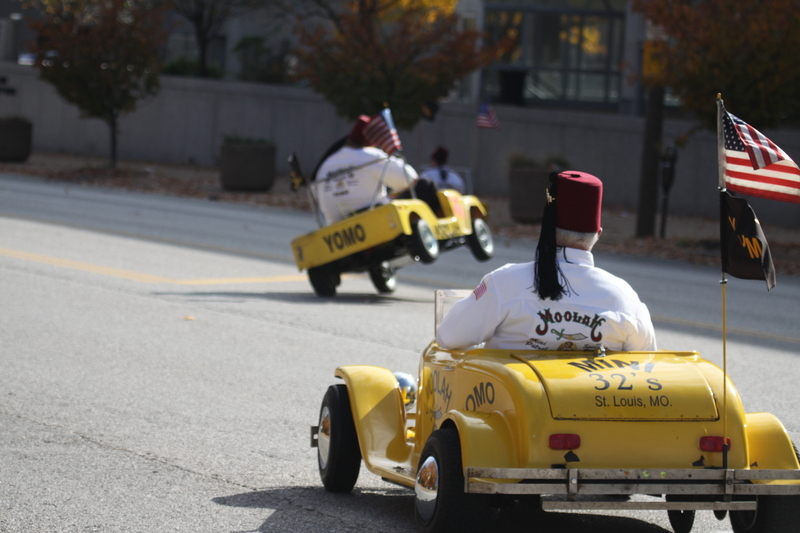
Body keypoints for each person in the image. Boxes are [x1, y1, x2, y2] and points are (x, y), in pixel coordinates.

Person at [436, 170, 656, 352]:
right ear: (598, 233)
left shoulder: (505, 283)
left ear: (546, 228)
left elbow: (449, 338)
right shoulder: (625, 297)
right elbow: (645, 364)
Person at [315, 115, 419, 225]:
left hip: (335, 226)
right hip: (374, 223)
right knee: (425, 185)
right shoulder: (370, 156)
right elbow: (410, 178)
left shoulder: (326, 164)